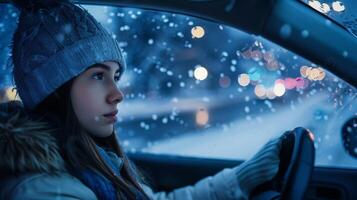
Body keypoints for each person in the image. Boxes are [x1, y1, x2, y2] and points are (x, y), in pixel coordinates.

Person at [0, 0, 284, 199]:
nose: (117, 94)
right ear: (55, 89)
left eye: (115, 76)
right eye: (98, 76)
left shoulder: (91, 162)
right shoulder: (46, 191)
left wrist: (243, 178)